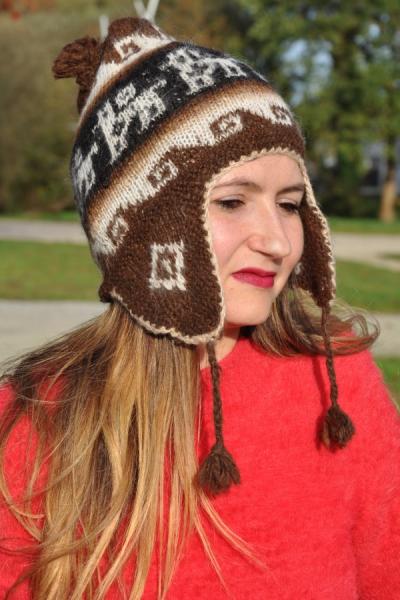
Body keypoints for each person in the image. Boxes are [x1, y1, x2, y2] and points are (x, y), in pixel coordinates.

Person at [0, 16, 399, 600]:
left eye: (289, 204)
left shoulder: (334, 385)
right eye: (234, 201)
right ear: (139, 233)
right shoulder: (38, 421)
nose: (278, 242)